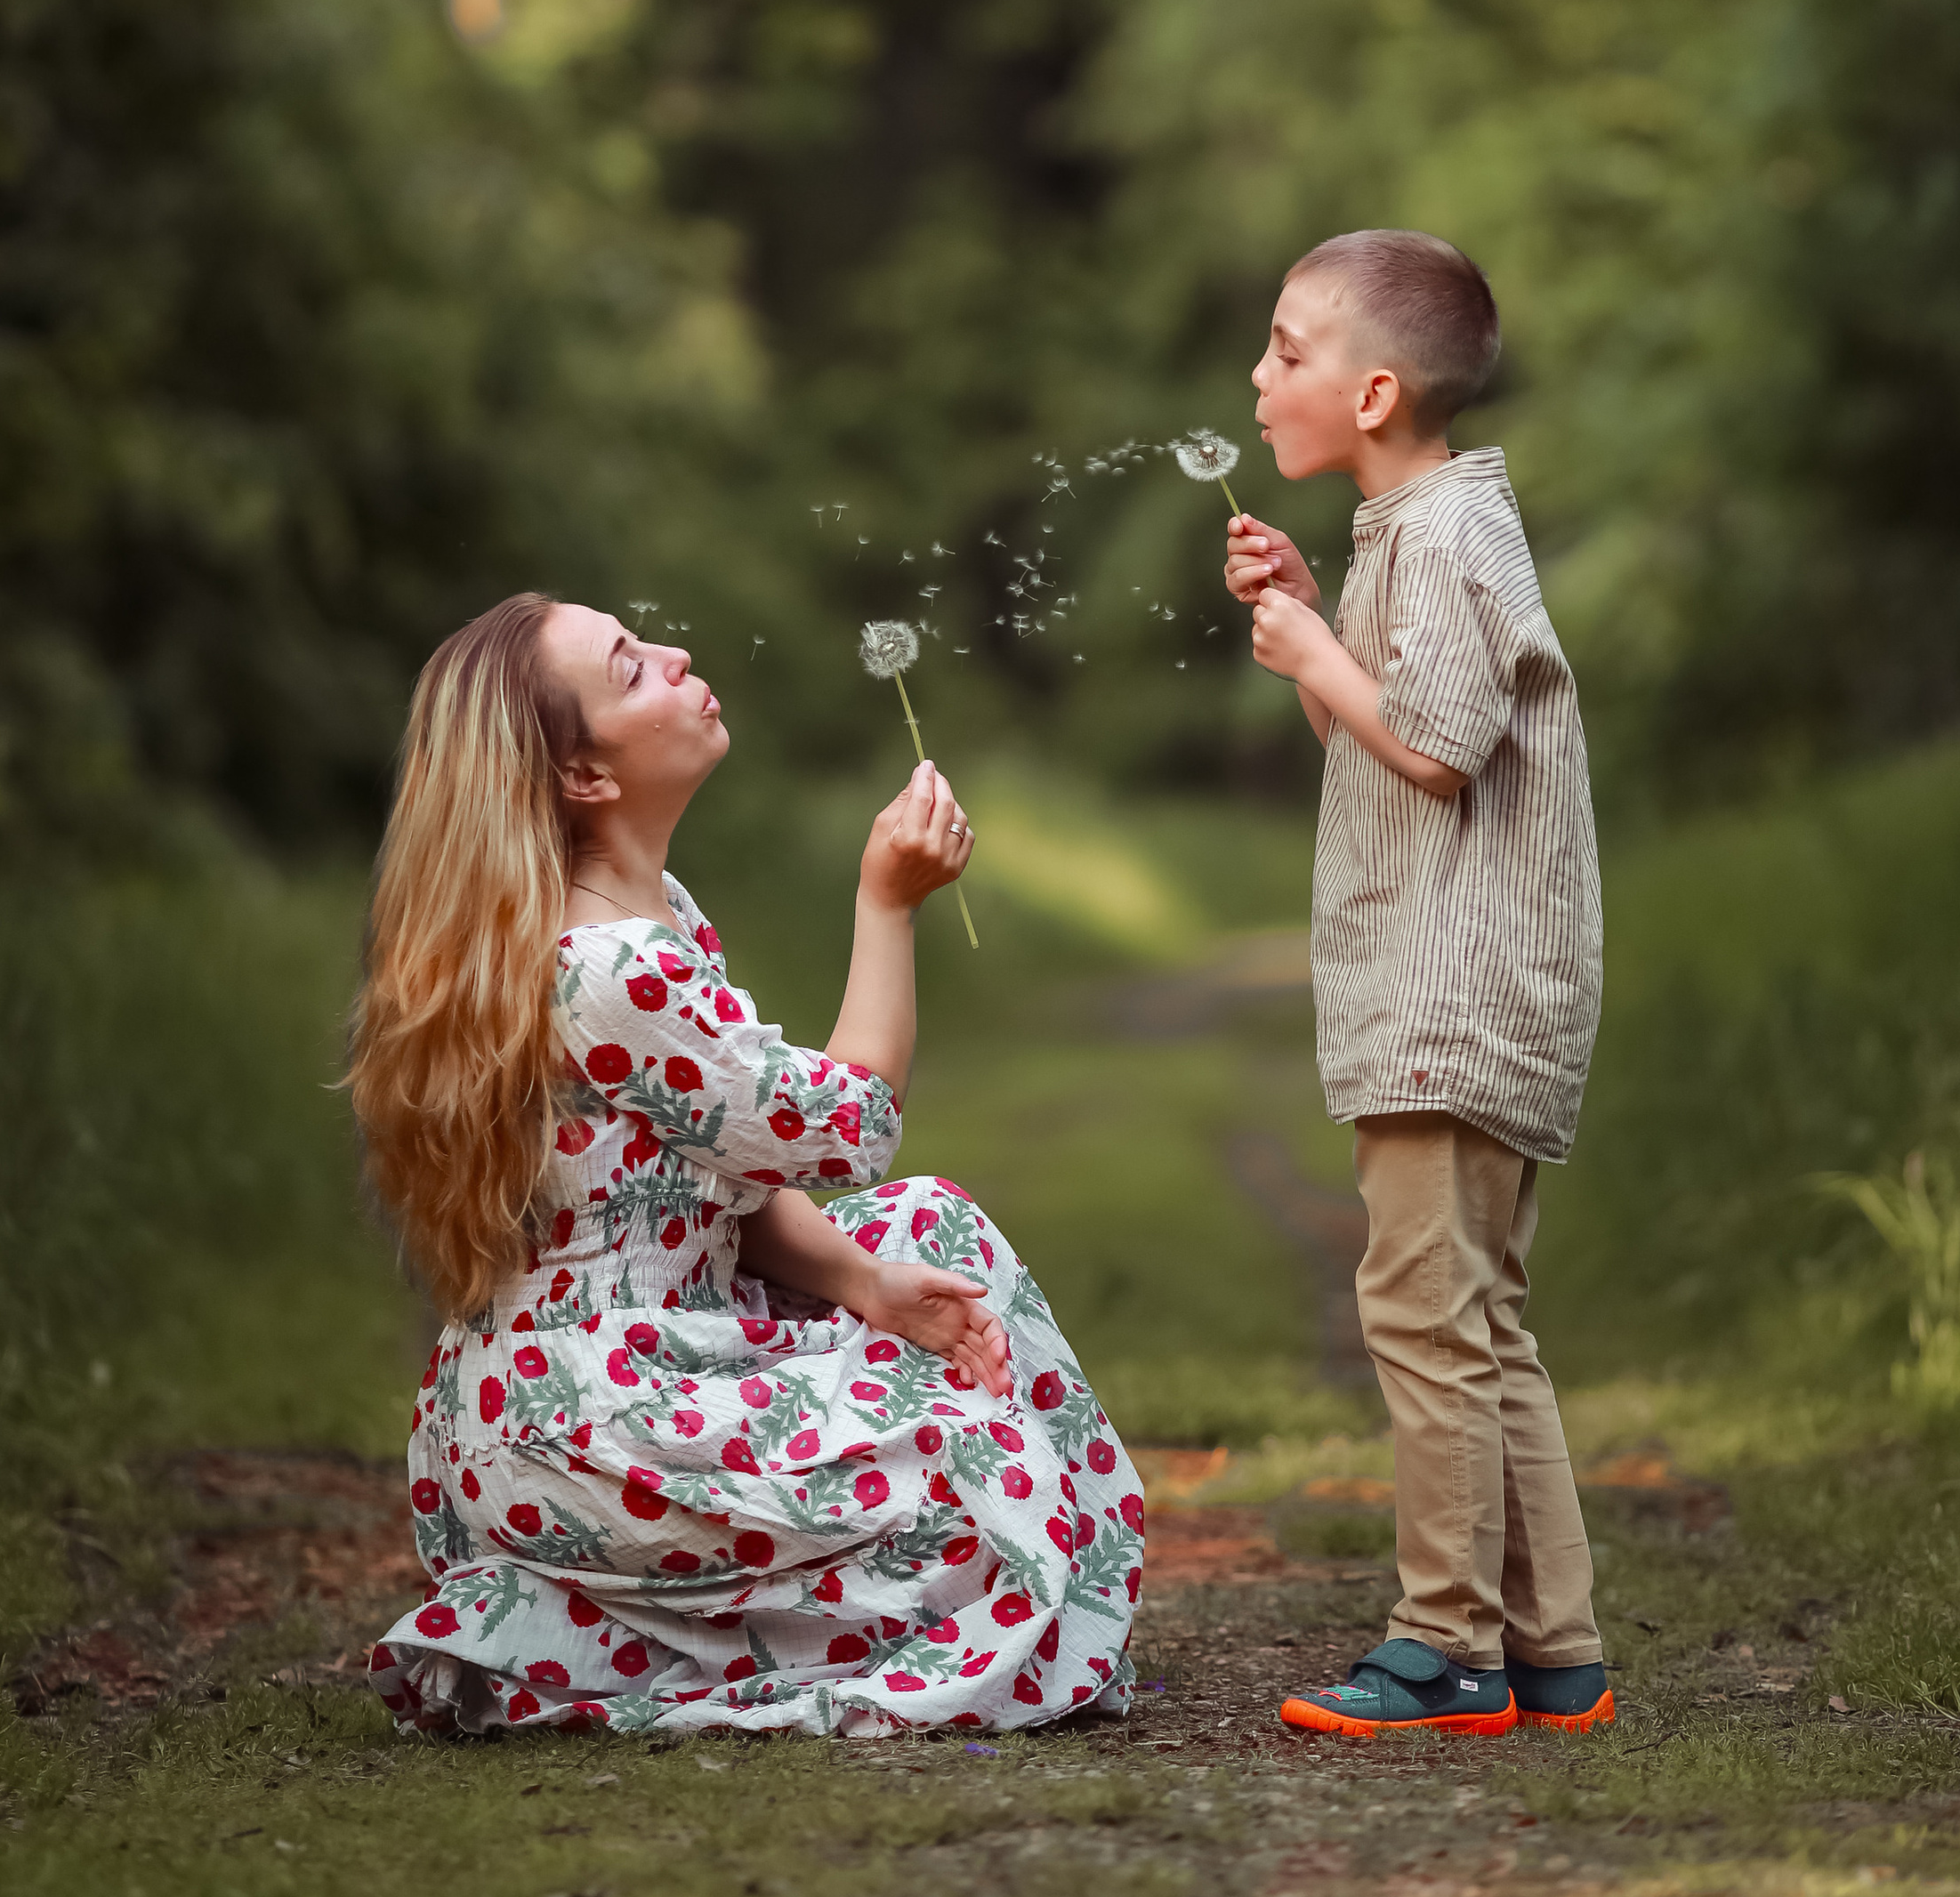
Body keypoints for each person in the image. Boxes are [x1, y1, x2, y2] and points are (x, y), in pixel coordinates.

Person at [349, 592, 1142, 1739]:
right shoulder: (605, 968)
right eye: (632, 670)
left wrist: (868, 1286)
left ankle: (666, 1623)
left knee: (931, 1238)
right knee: (984, 1472)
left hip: (660, 1352)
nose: (675, 656)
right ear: (586, 777)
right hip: (599, 1420)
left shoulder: (654, 913)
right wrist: (888, 904)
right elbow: (846, 1126)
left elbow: (736, 1176)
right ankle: (622, 1629)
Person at [1223, 231, 1609, 1738]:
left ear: (1375, 390)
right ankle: (1552, 1648)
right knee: (1482, 1315)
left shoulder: (1446, 537)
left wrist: (1319, 652)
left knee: (1422, 1315)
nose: (1261, 378)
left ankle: (1443, 1645)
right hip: (1461, 987)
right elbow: (1393, 749)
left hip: (1452, 997)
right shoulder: (1418, 530)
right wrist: (1322, 628)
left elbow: (1440, 755)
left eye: (1287, 350)